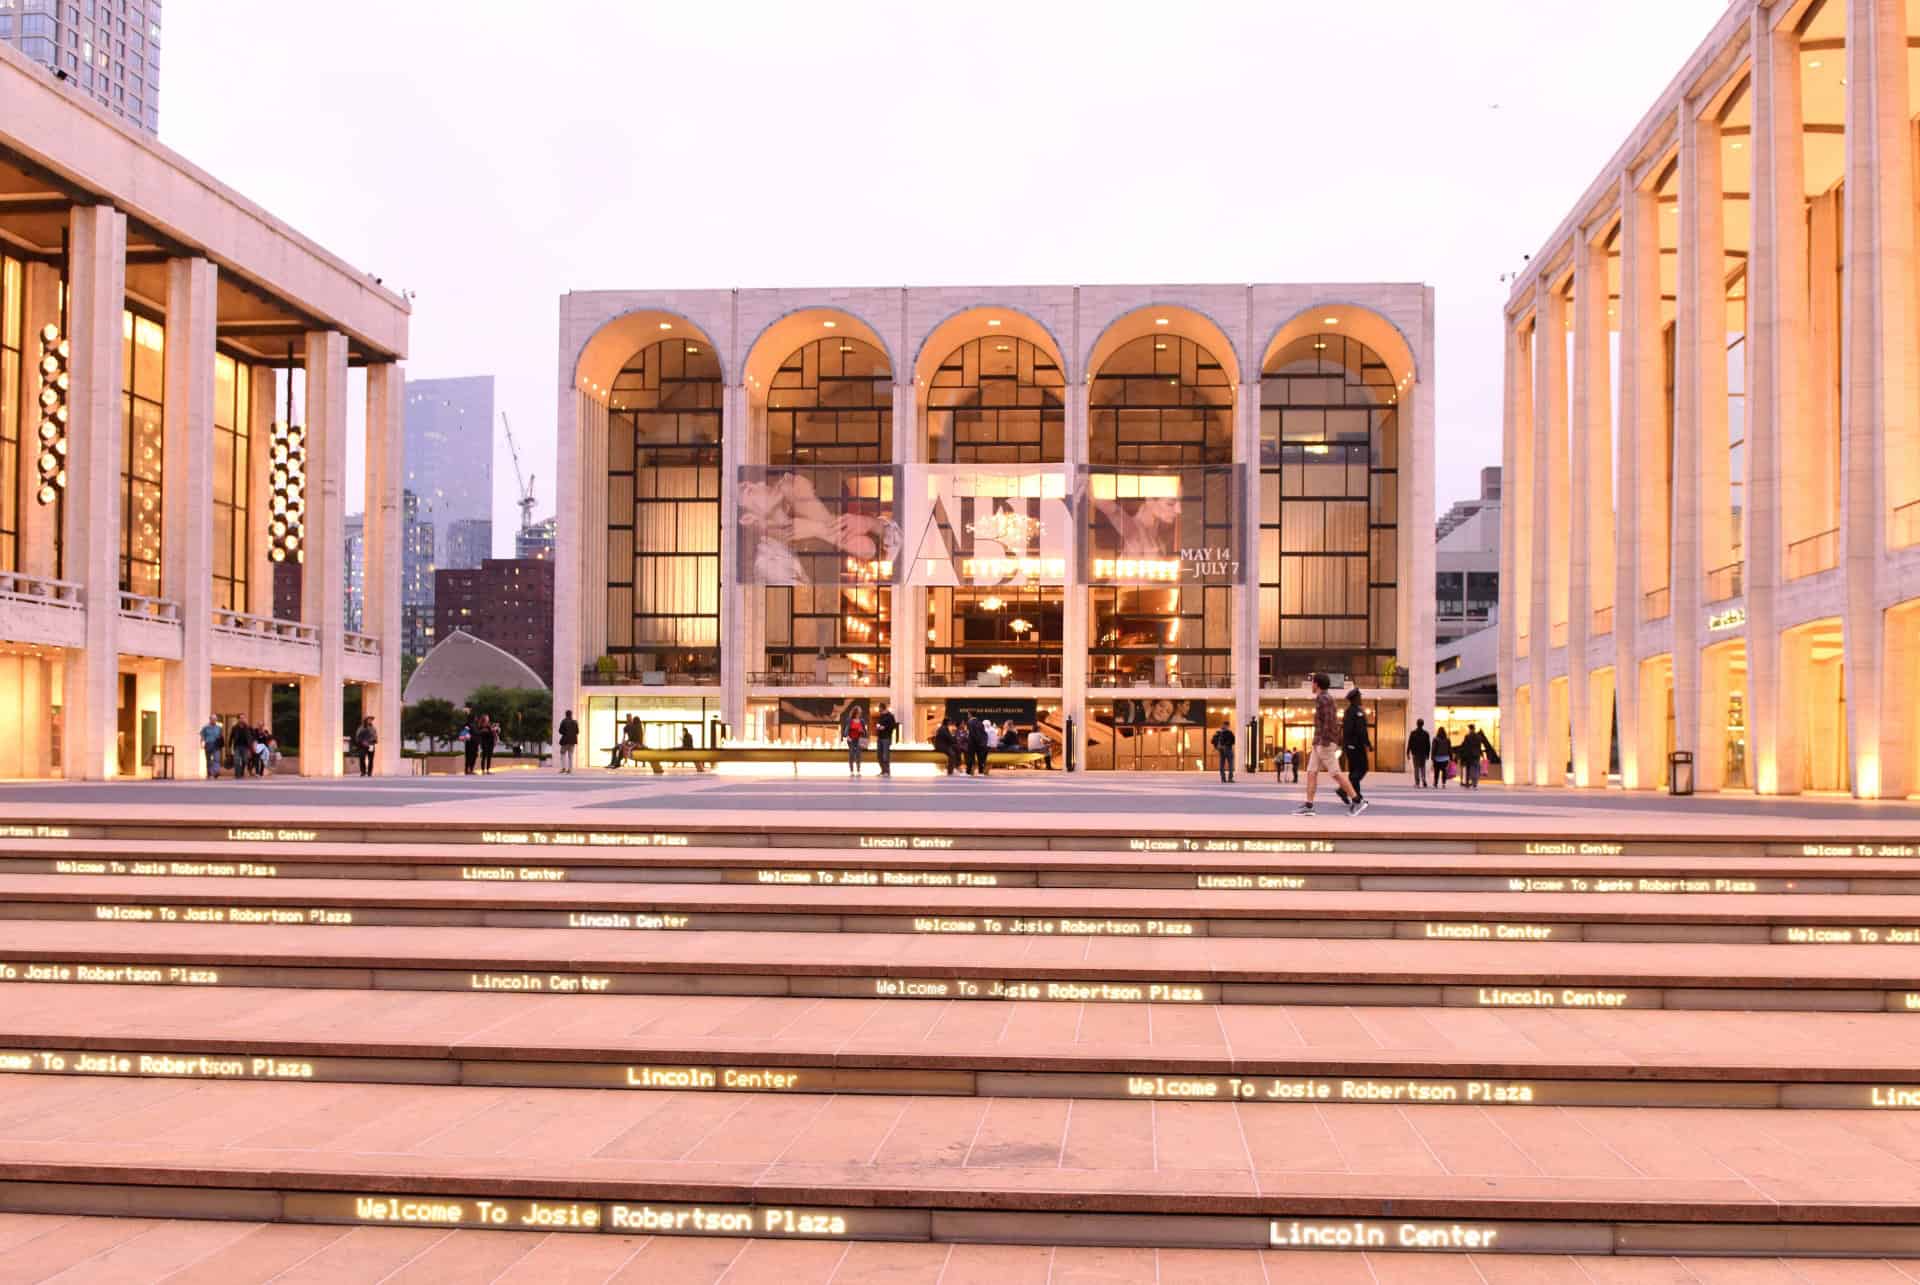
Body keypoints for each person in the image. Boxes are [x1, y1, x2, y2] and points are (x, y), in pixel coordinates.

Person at [1296, 673, 1363, 816]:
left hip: (1324, 742)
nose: (1311, 685)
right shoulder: (1327, 698)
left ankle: (1357, 800)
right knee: (1311, 772)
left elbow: (1328, 721)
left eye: (1312, 682)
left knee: (1335, 773)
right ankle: (1309, 805)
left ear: (1317, 684)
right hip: (1320, 742)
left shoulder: (1323, 699)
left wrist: (1324, 741)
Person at [1342, 688, 1372, 810]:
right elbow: (1361, 730)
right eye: (1359, 696)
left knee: (1354, 770)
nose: (1361, 698)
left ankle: (1356, 796)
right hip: (1357, 746)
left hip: (1349, 746)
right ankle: (1343, 790)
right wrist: (1368, 744)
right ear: (1355, 699)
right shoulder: (1357, 712)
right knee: (1363, 768)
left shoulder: (1347, 712)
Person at [874, 703, 898, 777]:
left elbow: (893, 726)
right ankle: (883, 771)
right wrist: (878, 726)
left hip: (886, 738)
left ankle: (887, 771)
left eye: (879, 708)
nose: (879, 710)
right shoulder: (881, 716)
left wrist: (884, 727)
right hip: (880, 737)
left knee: (885, 755)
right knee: (879, 755)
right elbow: (878, 724)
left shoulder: (890, 716)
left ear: (882, 708)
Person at [1408, 718, 1431, 788]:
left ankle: (1417, 782)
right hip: (1423, 753)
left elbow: (1410, 743)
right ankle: (1423, 779)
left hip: (1415, 753)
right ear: (1423, 724)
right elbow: (1428, 745)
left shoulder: (1413, 733)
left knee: (1416, 768)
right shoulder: (1426, 733)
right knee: (1422, 767)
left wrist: (1408, 752)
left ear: (1417, 724)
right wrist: (1428, 754)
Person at [966, 711, 990, 776]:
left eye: (968, 714)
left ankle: (968, 772)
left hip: (973, 742)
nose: (968, 715)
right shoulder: (980, 722)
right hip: (980, 743)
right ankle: (981, 772)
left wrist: (973, 741)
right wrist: (981, 742)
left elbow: (972, 733)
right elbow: (983, 733)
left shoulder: (970, 722)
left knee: (970, 757)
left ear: (970, 714)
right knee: (980, 758)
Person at [845, 708, 867, 777]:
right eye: (859, 712)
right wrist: (847, 736)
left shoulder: (862, 721)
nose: (860, 713)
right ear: (855, 712)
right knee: (851, 755)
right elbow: (846, 729)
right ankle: (851, 771)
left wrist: (862, 731)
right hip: (851, 740)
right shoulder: (850, 720)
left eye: (860, 712)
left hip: (859, 740)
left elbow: (865, 732)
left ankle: (858, 771)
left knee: (858, 755)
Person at [557, 710, 579, 774]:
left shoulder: (563, 721)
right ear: (571, 714)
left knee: (562, 754)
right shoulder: (575, 722)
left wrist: (566, 733)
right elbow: (577, 731)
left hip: (565, 740)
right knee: (570, 755)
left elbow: (560, 731)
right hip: (573, 741)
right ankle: (570, 769)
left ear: (566, 714)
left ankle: (563, 768)